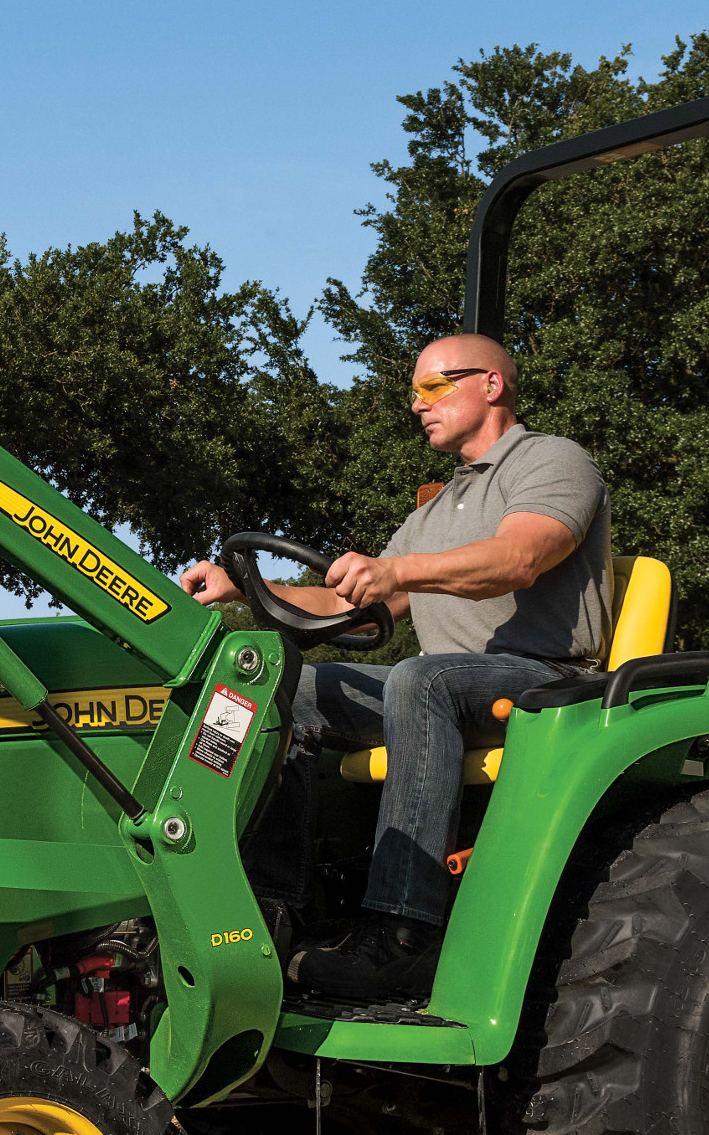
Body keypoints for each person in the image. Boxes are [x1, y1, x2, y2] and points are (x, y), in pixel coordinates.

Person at [176, 334, 611, 999]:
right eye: (414, 391)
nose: (417, 404)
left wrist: (394, 571)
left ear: (490, 385)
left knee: (418, 677)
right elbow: (347, 604)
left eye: (433, 387)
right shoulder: (436, 510)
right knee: (285, 690)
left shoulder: (551, 462)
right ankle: (268, 912)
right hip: (445, 685)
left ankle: (403, 932)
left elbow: (520, 557)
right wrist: (248, 589)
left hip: (545, 679)